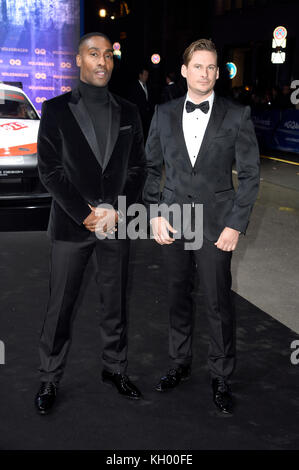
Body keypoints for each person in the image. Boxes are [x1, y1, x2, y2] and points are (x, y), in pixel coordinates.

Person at [143, 39, 260, 414]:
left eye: (211, 67)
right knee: (177, 296)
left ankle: (221, 374)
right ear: (184, 70)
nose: (205, 74)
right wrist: (155, 212)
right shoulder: (162, 113)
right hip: (174, 220)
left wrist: (235, 225)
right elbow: (150, 168)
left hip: (216, 224)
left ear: (217, 72)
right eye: (198, 66)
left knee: (217, 301)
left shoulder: (237, 114)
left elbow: (251, 176)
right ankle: (179, 363)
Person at [35, 32, 146, 414]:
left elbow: (138, 168)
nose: (102, 61)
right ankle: (49, 377)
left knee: (115, 303)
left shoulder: (129, 111)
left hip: (116, 223)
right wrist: (85, 213)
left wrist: (116, 209)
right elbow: (49, 171)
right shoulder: (55, 109)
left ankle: (114, 369)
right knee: (60, 305)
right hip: (71, 225)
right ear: (78, 61)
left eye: (108, 55)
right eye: (93, 54)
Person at [128, 67, 153, 140]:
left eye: (147, 75)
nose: (146, 77)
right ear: (140, 75)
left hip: (146, 116)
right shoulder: (134, 87)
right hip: (138, 115)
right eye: (145, 75)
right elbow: (132, 102)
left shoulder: (148, 86)